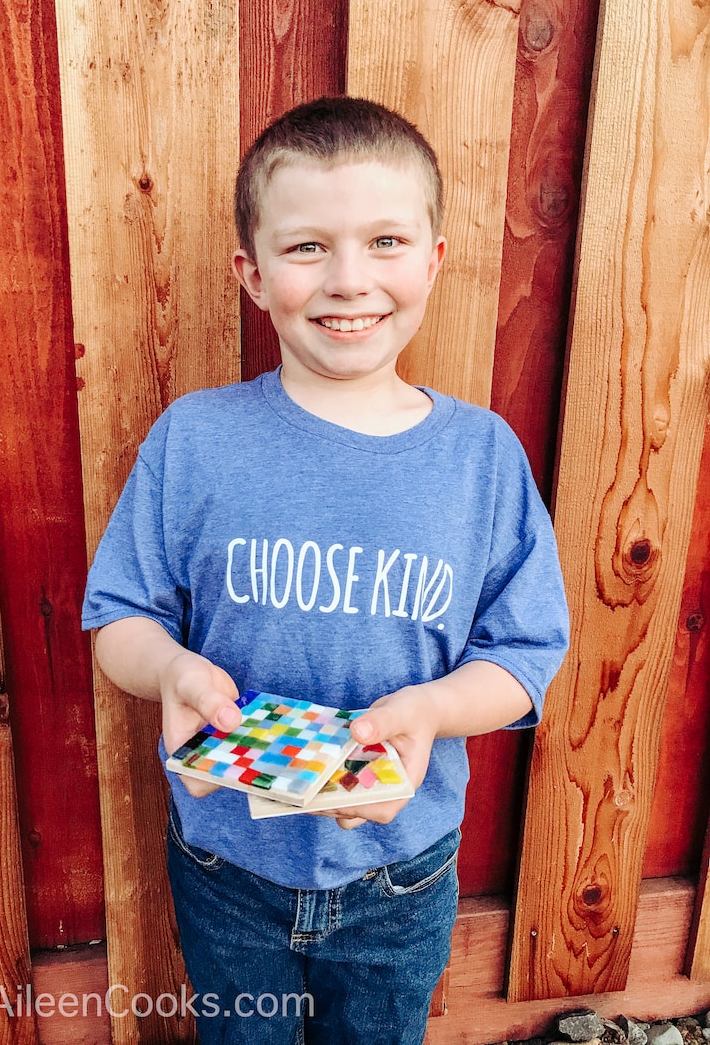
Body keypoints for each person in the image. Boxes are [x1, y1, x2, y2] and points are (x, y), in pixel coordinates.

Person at [82, 95, 569, 1045]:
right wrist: (172, 670)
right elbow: (122, 616)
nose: (350, 280)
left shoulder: (481, 457)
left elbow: (522, 652)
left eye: (386, 241)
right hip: (227, 856)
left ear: (432, 258)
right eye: (307, 247)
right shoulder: (197, 439)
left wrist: (431, 709)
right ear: (253, 274)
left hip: (401, 867)